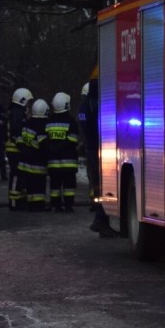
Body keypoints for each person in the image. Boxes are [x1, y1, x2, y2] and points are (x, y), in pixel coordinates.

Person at [78, 75, 117, 237]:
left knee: (98, 186)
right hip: (99, 150)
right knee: (104, 186)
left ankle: (101, 221)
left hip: (91, 149)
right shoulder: (96, 107)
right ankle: (100, 220)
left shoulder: (83, 107)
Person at [46, 92, 80, 212]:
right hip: (68, 162)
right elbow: (73, 140)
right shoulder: (70, 121)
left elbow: (45, 141)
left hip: (53, 162)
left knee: (55, 185)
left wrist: (53, 148)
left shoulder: (49, 121)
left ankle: (56, 205)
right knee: (69, 186)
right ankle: (68, 206)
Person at [17, 99, 50, 211]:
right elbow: (44, 145)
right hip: (37, 164)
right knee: (38, 185)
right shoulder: (42, 126)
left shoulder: (27, 123)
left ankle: (29, 203)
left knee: (28, 184)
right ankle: (38, 205)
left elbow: (19, 140)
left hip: (24, 163)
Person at [6, 87, 33, 209]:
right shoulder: (17, 113)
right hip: (15, 149)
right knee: (16, 174)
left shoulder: (16, 112)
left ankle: (19, 199)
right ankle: (13, 200)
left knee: (20, 174)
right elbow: (17, 132)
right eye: (27, 101)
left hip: (16, 148)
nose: (29, 104)